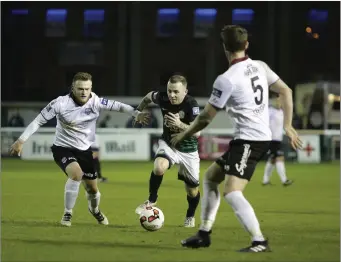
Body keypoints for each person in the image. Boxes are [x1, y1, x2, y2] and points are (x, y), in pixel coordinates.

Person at [171, 25, 302, 252]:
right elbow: (286, 91)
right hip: (251, 138)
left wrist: (183, 133)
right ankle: (204, 233)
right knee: (211, 177)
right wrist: (288, 126)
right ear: (246, 45)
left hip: (251, 141)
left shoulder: (227, 79)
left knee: (232, 192)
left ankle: (259, 241)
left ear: (224, 48)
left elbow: (205, 118)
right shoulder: (259, 67)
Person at [9, 72, 149, 227]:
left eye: (87, 89)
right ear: (73, 88)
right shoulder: (60, 103)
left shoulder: (96, 101)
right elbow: (37, 121)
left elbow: (119, 106)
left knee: (93, 189)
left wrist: (136, 113)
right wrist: (20, 141)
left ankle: (94, 210)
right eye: (80, 88)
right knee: (76, 174)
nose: (84, 92)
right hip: (62, 148)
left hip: (84, 150)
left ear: (91, 88)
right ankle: (67, 213)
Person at [134, 75, 201, 228]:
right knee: (159, 166)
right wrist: (137, 112)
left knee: (192, 191)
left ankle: (190, 215)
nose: (172, 95)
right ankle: (151, 199)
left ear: (185, 91)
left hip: (188, 151)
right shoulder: (162, 97)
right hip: (169, 144)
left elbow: (198, 133)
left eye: (176, 92)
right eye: (170, 91)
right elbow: (147, 97)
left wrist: (179, 124)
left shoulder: (192, 105)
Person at [262, 96, 293, 186]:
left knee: (272, 159)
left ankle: (265, 180)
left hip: (278, 139)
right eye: (278, 101)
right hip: (271, 139)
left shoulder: (281, 112)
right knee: (280, 157)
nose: (279, 103)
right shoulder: (270, 111)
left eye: (281, 101)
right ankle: (284, 180)